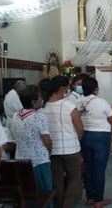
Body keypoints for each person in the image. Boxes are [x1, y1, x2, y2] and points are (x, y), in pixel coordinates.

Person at [39, 75, 84, 208]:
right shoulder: (68, 105)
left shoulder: (44, 108)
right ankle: (67, 205)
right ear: (61, 88)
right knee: (74, 179)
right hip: (71, 150)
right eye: (67, 88)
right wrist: (77, 139)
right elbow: (80, 128)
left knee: (57, 181)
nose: (68, 91)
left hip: (52, 150)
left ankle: (58, 205)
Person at [78, 77, 112, 207]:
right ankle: (99, 200)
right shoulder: (101, 101)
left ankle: (90, 198)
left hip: (84, 137)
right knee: (99, 169)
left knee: (88, 168)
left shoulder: (79, 101)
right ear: (96, 89)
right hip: (100, 137)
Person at [11, 85, 53, 195]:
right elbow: (47, 140)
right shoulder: (39, 117)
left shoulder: (15, 115)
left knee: (27, 193)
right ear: (34, 102)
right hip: (39, 160)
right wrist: (49, 152)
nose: (42, 100)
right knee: (44, 192)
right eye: (40, 98)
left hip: (21, 159)